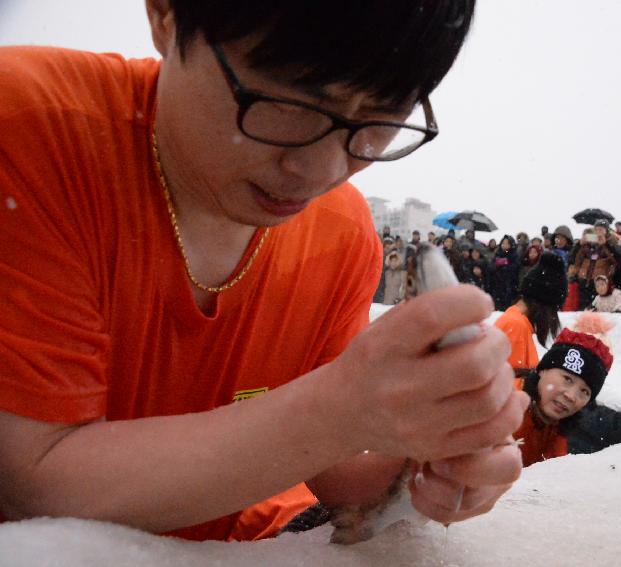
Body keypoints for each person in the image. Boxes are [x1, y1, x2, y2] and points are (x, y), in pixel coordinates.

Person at [0, 0, 527, 543]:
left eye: (378, 118)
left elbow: (327, 467)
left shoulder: (341, 234)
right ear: (165, 16)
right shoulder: (28, 130)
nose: (320, 171)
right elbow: (35, 483)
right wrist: (342, 408)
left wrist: (424, 456)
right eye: (285, 103)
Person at [513, 315, 613, 467]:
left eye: (585, 392)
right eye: (567, 379)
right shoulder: (499, 404)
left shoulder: (557, 427)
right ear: (542, 370)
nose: (571, 396)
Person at [494, 252, 567, 373]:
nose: (552, 318)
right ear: (544, 305)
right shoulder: (516, 325)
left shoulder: (517, 322)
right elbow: (508, 386)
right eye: (553, 310)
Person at [572, 222, 621, 310]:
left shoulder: (612, 242)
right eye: (596, 229)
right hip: (584, 280)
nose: (598, 232)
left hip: (601, 282)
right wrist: (578, 245)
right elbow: (572, 259)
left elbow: (618, 259)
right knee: (584, 309)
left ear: (606, 231)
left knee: (597, 309)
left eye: (601, 229)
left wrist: (606, 244)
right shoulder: (587, 243)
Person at [490, 234, 520, 311]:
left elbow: (515, 268)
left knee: (507, 308)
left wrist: (505, 265)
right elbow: (491, 267)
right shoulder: (497, 254)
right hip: (497, 286)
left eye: (507, 243)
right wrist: (497, 265)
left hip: (509, 286)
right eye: (503, 243)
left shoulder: (514, 255)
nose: (504, 245)